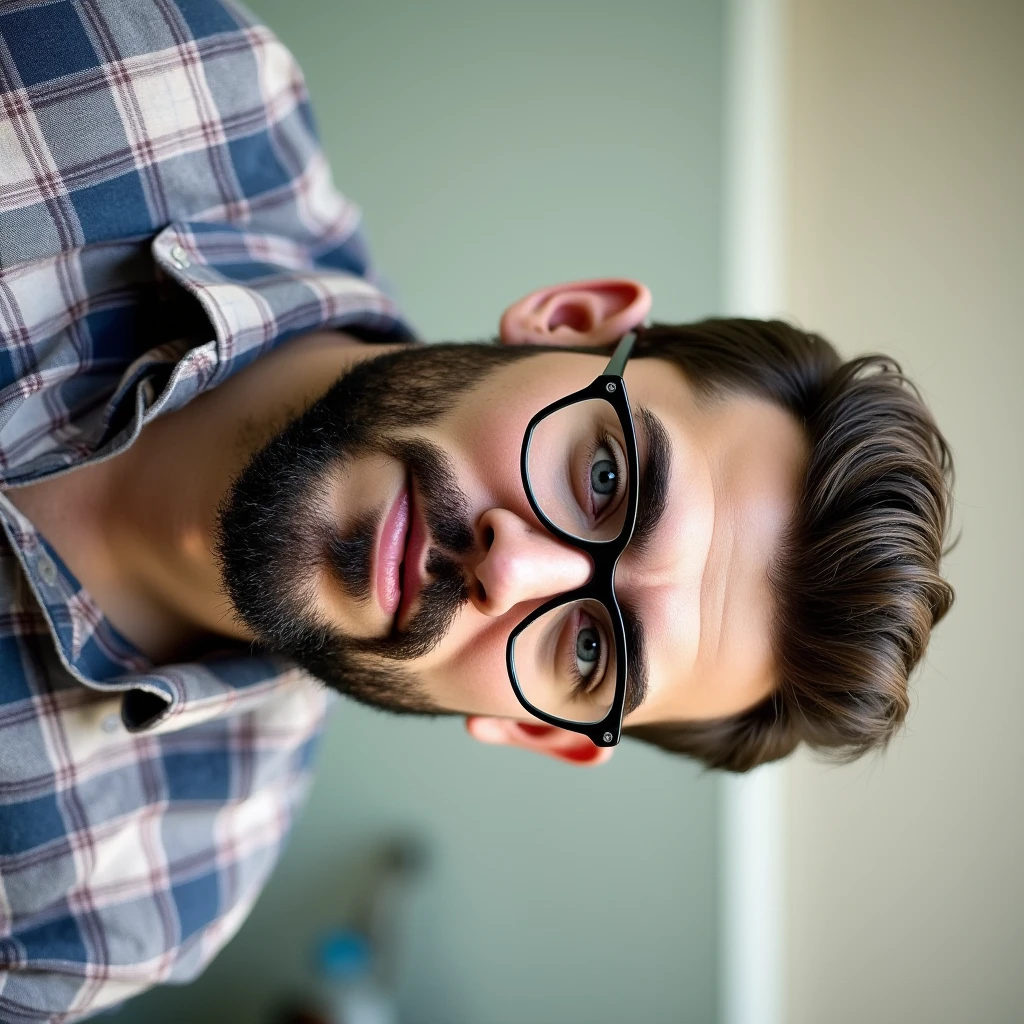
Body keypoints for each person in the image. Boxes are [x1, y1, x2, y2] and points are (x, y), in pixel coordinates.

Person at [0, 0, 954, 1019]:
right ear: (571, 324)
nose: (516, 570)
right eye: (605, 481)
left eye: (590, 651)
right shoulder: (147, 75)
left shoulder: (118, 909)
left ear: (534, 729)